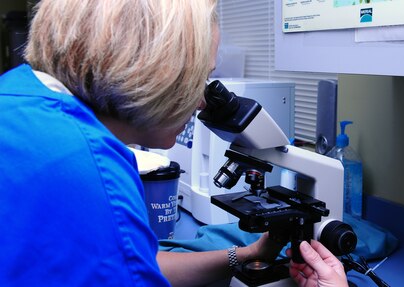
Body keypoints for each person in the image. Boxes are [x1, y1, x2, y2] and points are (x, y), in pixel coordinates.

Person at [0, 0, 349, 286]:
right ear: (157, 68)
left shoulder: (21, 96)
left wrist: (248, 254)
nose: (202, 100)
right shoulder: (88, 169)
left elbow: (135, 262)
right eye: (203, 77)